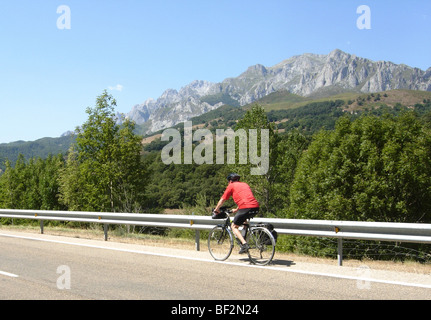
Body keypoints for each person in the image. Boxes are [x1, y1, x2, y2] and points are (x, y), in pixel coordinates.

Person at [213, 173, 259, 254]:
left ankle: (244, 244)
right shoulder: (244, 184)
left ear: (230, 181)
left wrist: (216, 209)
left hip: (246, 207)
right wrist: (237, 209)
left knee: (233, 226)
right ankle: (243, 242)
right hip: (255, 206)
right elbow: (246, 198)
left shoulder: (231, 186)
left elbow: (222, 199)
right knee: (244, 222)